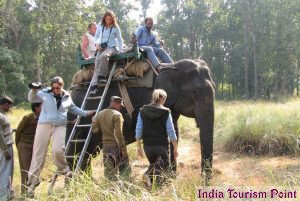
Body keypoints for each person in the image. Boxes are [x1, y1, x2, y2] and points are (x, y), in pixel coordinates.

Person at [26, 76, 95, 194]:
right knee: (38, 153)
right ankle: (32, 183)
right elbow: (32, 99)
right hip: (44, 125)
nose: (55, 90)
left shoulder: (67, 96)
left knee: (57, 150)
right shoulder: (44, 93)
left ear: (61, 87)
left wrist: (86, 113)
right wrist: (33, 89)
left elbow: (73, 109)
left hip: (59, 126)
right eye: (53, 87)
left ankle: (64, 169)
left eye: (58, 88)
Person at [135, 89, 178, 189]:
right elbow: (171, 132)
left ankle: (153, 189)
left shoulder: (143, 110)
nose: (165, 101)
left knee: (154, 165)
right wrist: (175, 148)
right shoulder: (166, 112)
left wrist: (138, 146)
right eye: (165, 98)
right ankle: (149, 177)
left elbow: (138, 130)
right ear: (162, 98)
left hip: (147, 146)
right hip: (161, 145)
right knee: (163, 166)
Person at [92, 96, 130, 180]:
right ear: (116, 104)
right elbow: (118, 134)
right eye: (120, 106)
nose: (120, 108)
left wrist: (94, 121)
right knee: (125, 171)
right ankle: (123, 189)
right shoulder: (117, 115)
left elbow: (94, 130)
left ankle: (110, 190)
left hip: (106, 147)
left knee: (109, 174)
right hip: (116, 147)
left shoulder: (100, 114)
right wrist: (123, 150)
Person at [91, 10, 123, 93]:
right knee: (97, 61)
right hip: (101, 47)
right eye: (107, 19)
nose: (108, 21)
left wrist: (121, 50)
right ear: (104, 19)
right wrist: (97, 44)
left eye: (110, 19)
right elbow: (96, 36)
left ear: (113, 19)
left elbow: (119, 39)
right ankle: (94, 85)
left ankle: (102, 77)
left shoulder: (116, 27)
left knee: (104, 56)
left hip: (112, 48)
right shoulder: (100, 25)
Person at [15, 102, 41, 196]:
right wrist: (18, 144)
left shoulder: (44, 118)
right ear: (36, 108)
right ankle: (25, 193)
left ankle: (29, 194)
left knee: (31, 169)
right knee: (26, 171)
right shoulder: (28, 117)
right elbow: (18, 131)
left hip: (34, 146)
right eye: (42, 106)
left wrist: (71, 122)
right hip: (24, 145)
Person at [0, 96, 14, 200]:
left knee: (7, 171)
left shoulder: (3, 115)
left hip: (5, 145)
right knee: (5, 171)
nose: (10, 108)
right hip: (4, 147)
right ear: (4, 104)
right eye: (9, 105)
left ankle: (7, 193)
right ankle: (3, 196)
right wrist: (5, 150)